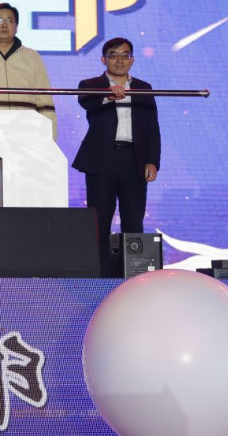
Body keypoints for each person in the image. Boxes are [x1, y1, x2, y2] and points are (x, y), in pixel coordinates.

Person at [72, 38, 161, 277]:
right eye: (113, 55)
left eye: (125, 55)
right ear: (104, 59)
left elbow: (152, 128)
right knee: (99, 222)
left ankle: (134, 277)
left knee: (134, 220)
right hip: (101, 160)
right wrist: (108, 96)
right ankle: (98, 278)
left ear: (132, 59)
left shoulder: (143, 87)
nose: (120, 60)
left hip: (135, 160)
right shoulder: (90, 85)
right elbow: (87, 103)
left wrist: (152, 161)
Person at [0, 2, 57, 138]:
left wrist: (50, 138)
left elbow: (45, 101)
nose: (4, 25)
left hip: (27, 132)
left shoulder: (32, 57)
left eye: (10, 21)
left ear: (16, 26)